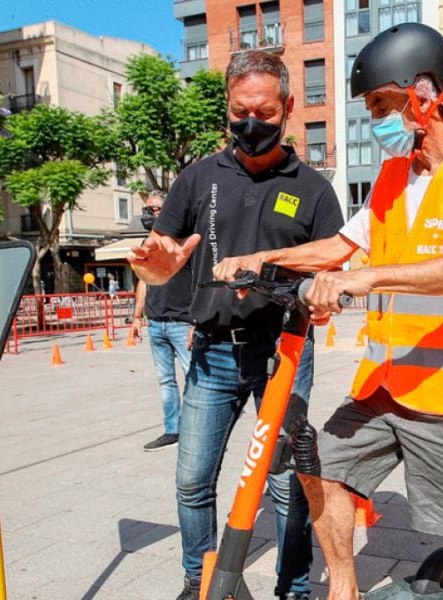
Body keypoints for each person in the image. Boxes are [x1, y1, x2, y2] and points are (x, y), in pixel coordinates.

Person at [213, 23, 443, 600]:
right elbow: (339, 248)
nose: (376, 119)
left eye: (384, 103)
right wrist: (260, 256)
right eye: (370, 107)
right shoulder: (391, 180)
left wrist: (363, 278)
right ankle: (345, 590)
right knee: (318, 463)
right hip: (384, 384)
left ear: (427, 94)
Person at [128, 50, 343, 600]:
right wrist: (159, 269)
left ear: (288, 109)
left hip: (284, 353)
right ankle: (202, 583)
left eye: (265, 114)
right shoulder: (198, 178)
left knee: (285, 483)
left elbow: (335, 265)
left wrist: (315, 292)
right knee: (193, 480)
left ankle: (293, 588)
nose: (250, 124)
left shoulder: (315, 188)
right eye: (239, 112)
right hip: (213, 352)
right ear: (227, 108)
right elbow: (168, 251)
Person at [131, 191, 194, 451]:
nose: (152, 214)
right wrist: (137, 317)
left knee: (195, 378)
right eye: (149, 210)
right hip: (156, 323)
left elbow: (202, 283)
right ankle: (173, 429)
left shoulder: (185, 243)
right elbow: (143, 280)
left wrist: (197, 321)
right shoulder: (148, 243)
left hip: (182, 322)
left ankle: (196, 428)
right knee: (165, 380)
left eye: (157, 209)